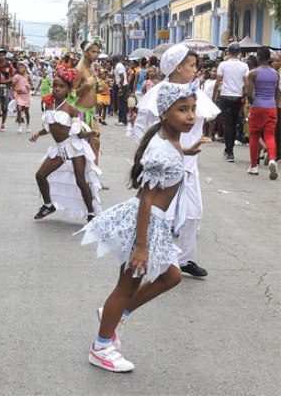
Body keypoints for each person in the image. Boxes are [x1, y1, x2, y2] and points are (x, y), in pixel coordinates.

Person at [77, 82, 209, 373]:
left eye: (193, 109)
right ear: (164, 113)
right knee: (126, 286)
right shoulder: (160, 148)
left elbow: (171, 158)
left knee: (172, 276)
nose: (190, 116)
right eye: (182, 110)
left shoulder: (171, 138)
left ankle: (113, 315)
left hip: (154, 224)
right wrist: (141, 245)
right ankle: (101, 347)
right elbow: (147, 198)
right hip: (144, 224)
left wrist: (188, 150)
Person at [133, 45, 220, 278]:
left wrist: (188, 152)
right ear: (178, 66)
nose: (195, 69)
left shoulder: (195, 92)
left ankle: (185, 258)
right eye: (192, 65)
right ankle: (155, 258)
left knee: (194, 212)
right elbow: (142, 129)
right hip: (165, 167)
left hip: (188, 166)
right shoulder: (160, 94)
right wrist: (156, 156)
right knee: (161, 215)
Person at [30, 66, 101, 222]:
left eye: (61, 86)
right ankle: (48, 205)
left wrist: (92, 133)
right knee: (40, 175)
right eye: (55, 85)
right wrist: (38, 134)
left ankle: (91, 213)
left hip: (75, 147)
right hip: (60, 149)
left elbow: (79, 133)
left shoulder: (72, 109)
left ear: (68, 90)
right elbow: (49, 127)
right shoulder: (50, 106)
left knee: (80, 180)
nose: (56, 89)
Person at [246, 47, 279, 179]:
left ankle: (254, 166)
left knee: (254, 136)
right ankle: (272, 159)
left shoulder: (253, 73)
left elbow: (249, 93)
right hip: (271, 107)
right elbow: (277, 93)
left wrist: (252, 103)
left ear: (258, 57)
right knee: (270, 135)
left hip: (258, 106)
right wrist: (275, 106)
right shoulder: (275, 74)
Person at [214, 42, 249, 162]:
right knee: (234, 123)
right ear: (239, 52)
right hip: (237, 96)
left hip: (225, 96)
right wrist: (246, 95)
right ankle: (229, 149)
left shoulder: (223, 65)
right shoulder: (244, 66)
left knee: (228, 123)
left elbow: (218, 82)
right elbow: (247, 84)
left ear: (228, 52)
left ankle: (229, 151)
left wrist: (214, 95)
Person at [74, 38, 103, 164]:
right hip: (81, 113)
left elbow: (91, 88)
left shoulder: (91, 68)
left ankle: (94, 179)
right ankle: (81, 178)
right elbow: (72, 93)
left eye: (97, 52)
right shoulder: (79, 69)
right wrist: (86, 86)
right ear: (86, 52)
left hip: (92, 112)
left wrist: (98, 86)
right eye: (93, 51)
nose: (96, 54)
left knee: (96, 144)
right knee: (80, 146)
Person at [12, 62, 33, 133]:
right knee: (19, 109)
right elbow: (12, 86)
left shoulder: (28, 76)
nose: (20, 69)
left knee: (27, 111)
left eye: (22, 67)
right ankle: (20, 126)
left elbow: (32, 86)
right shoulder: (16, 76)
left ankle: (28, 126)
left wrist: (30, 86)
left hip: (26, 95)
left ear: (25, 68)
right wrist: (16, 89)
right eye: (19, 68)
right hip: (19, 95)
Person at [113, 55, 129, 125]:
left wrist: (120, 88)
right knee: (120, 103)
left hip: (123, 86)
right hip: (122, 85)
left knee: (122, 104)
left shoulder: (118, 66)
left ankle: (123, 120)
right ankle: (120, 120)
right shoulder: (119, 65)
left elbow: (122, 77)